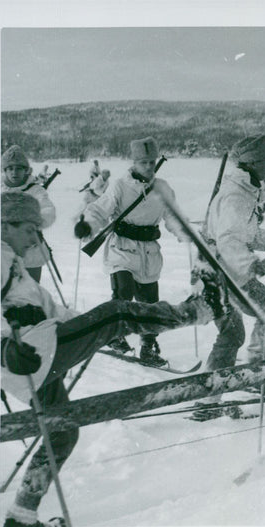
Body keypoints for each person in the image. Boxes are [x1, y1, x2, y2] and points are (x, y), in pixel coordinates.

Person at [0, 193, 224, 527]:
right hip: (29, 354)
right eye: (29, 229)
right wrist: (3, 346)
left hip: (31, 358)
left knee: (63, 432)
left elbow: (53, 311)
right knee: (117, 312)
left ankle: (22, 514)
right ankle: (195, 310)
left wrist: (89, 327)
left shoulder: (12, 263)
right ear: (5, 225)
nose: (34, 238)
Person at [191, 135, 265, 420]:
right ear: (252, 162)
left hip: (226, 270)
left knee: (247, 324)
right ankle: (220, 393)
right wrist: (256, 267)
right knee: (255, 319)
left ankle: (234, 384)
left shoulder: (245, 188)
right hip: (221, 273)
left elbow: (242, 234)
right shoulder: (236, 195)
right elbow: (229, 241)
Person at [74, 137, 189, 366]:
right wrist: (88, 224)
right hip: (122, 249)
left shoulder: (163, 188)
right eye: (143, 162)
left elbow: (173, 217)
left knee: (149, 304)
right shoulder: (120, 186)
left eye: (151, 161)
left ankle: (148, 346)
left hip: (149, 254)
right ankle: (116, 337)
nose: (148, 166)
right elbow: (99, 209)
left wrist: (186, 234)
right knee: (123, 293)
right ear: (134, 162)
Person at [1, 145, 57, 283]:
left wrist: (32, 222)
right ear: (5, 170)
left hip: (31, 252)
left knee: (30, 294)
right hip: (2, 251)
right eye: (10, 168)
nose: (14, 172)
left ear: (26, 170)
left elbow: (48, 210)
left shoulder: (36, 190)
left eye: (19, 168)